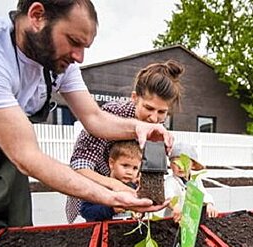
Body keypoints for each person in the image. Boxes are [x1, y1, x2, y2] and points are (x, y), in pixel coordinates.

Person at [0, 0, 172, 232]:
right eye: (73, 42)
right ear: (37, 16)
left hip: (4, 163)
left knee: (17, 244)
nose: (79, 57)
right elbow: (26, 156)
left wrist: (138, 129)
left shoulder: (57, 65)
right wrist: (113, 196)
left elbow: (94, 118)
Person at [66, 60, 184, 223]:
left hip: (128, 200)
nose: (154, 118)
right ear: (135, 98)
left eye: (162, 112)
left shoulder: (157, 126)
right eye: (148, 108)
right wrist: (116, 186)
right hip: (96, 197)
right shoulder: (110, 114)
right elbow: (79, 168)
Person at [80, 140, 142, 221]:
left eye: (135, 168)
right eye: (125, 165)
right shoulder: (98, 186)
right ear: (111, 163)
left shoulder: (134, 189)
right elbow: (85, 211)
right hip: (103, 231)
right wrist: (110, 209)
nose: (130, 172)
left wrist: (139, 213)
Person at [164, 142, 218, 223]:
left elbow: (203, 194)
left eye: (184, 163)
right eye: (176, 163)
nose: (180, 167)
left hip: (191, 222)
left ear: (192, 165)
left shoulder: (195, 181)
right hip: (173, 220)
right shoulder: (170, 181)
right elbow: (168, 196)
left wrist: (209, 204)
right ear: (171, 165)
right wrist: (175, 207)